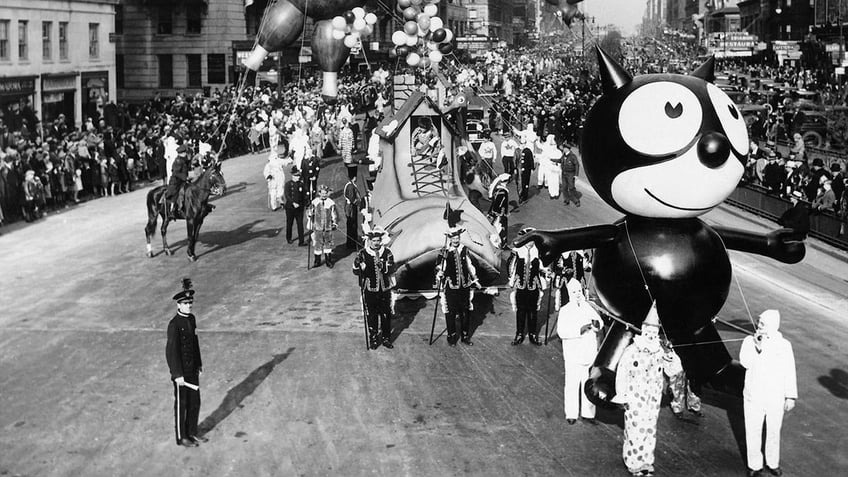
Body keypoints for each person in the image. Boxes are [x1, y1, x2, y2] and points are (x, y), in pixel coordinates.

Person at [612, 302, 680, 477]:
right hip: (635, 399)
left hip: (653, 399)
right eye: (648, 331)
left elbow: (673, 371)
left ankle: (646, 463)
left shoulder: (659, 351)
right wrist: (622, 395)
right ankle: (633, 463)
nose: (651, 335)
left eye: (654, 332)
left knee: (649, 431)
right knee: (635, 431)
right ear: (643, 330)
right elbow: (622, 373)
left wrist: (671, 356)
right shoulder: (632, 351)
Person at [739, 309, 797, 477]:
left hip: (775, 397)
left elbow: (789, 371)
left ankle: (772, 462)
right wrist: (757, 347)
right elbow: (745, 362)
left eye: (763, 323)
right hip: (753, 396)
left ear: (773, 325)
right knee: (753, 429)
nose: (759, 326)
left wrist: (790, 396)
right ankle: (754, 465)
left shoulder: (784, 345)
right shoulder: (749, 341)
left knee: (773, 430)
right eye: (759, 322)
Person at [165, 280, 207, 447]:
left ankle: (192, 432)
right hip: (181, 372)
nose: (189, 306)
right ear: (179, 305)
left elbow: (194, 342)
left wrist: (199, 364)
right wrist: (177, 374)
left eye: (190, 303)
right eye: (186, 303)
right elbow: (171, 351)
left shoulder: (191, 319)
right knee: (182, 405)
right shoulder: (174, 325)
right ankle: (182, 437)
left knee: (195, 402)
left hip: (192, 369)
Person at [557, 277, 601, 424]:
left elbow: (598, 322)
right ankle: (571, 413)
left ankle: (588, 414)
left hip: (588, 352)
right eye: (574, 291)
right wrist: (579, 330)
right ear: (570, 293)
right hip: (573, 354)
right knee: (572, 384)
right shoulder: (565, 310)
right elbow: (561, 332)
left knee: (588, 383)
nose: (577, 294)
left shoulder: (588, 306)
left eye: (579, 291)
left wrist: (596, 325)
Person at [352, 226, 396, 349]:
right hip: (370, 289)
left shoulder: (387, 253)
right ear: (369, 241)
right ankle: (374, 338)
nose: (376, 243)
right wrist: (357, 263)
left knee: (386, 314)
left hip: (384, 289)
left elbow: (392, 268)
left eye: (378, 240)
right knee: (371, 314)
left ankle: (386, 338)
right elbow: (356, 272)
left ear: (381, 240)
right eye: (374, 241)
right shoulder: (363, 253)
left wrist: (383, 265)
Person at [435, 226, 479, 346]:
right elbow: (439, 266)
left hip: (464, 286)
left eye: (458, 238)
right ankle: (452, 336)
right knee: (451, 312)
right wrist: (439, 272)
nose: (456, 240)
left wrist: (475, 279)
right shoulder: (445, 251)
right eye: (454, 238)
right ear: (450, 238)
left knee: (465, 311)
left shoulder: (464, 249)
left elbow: (469, 265)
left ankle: (465, 336)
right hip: (451, 286)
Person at [508, 241, 547, 346]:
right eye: (528, 240)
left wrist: (548, 272)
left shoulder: (538, 251)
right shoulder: (517, 251)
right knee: (520, 311)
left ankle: (532, 335)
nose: (530, 243)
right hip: (521, 286)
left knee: (532, 312)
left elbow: (543, 267)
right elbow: (511, 266)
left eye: (532, 240)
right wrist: (512, 280)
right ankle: (519, 334)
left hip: (533, 286)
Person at [307, 184, 338, 268]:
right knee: (318, 244)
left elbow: (334, 214)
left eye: (325, 193)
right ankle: (317, 261)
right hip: (317, 227)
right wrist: (309, 213)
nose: (324, 195)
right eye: (322, 193)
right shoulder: (315, 202)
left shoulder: (330, 203)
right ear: (319, 193)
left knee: (328, 243)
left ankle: (328, 260)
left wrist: (334, 223)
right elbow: (309, 211)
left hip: (328, 227)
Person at [283, 166, 307, 246]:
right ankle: (288, 238)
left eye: (298, 176)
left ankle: (301, 241)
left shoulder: (301, 184)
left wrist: (305, 204)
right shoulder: (288, 184)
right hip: (290, 207)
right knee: (289, 223)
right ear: (292, 175)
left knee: (300, 224)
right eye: (296, 176)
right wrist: (293, 203)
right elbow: (287, 195)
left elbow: (304, 195)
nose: (298, 177)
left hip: (299, 207)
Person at [165, 144, 190, 217]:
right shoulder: (178, 161)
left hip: (182, 180)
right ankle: (172, 209)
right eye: (184, 152)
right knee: (175, 194)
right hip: (176, 182)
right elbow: (176, 172)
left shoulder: (183, 159)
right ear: (181, 153)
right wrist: (185, 178)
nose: (185, 153)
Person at [487, 173, 510, 249]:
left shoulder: (498, 189)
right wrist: (501, 214)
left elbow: (494, 202)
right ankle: (501, 244)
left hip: (498, 213)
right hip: (500, 214)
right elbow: (500, 204)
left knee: (496, 228)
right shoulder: (503, 192)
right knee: (501, 229)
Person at [344, 175, 362, 249]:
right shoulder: (351, 186)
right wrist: (360, 204)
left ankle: (352, 243)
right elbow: (352, 198)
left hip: (350, 206)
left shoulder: (350, 185)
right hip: (351, 207)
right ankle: (352, 244)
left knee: (352, 224)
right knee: (352, 224)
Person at [517, 138, 535, 203]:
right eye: (521, 143)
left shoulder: (528, 151)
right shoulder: (518, 150)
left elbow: (531, 160)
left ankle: (525, 196)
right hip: (519, 169)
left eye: (523, 143)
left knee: (525, 183)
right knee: (519, 183)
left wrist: (532, 168)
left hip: (526, 170)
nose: (522, 144)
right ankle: (520, 194)